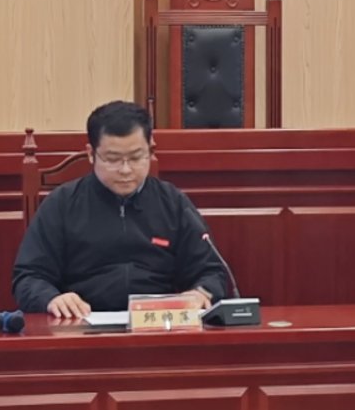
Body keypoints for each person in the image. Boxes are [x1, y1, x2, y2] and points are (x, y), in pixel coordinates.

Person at [12, 100, 228, 320]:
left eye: (136, 157)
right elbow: (28, 277)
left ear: (150, 149)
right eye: (113, 159)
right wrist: (51, 298)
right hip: (80, 324)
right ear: (91, 153)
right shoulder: (62, 204)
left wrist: (200, 293)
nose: (125, 170)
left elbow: (213, 273)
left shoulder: (172, 203)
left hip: (157, 324)